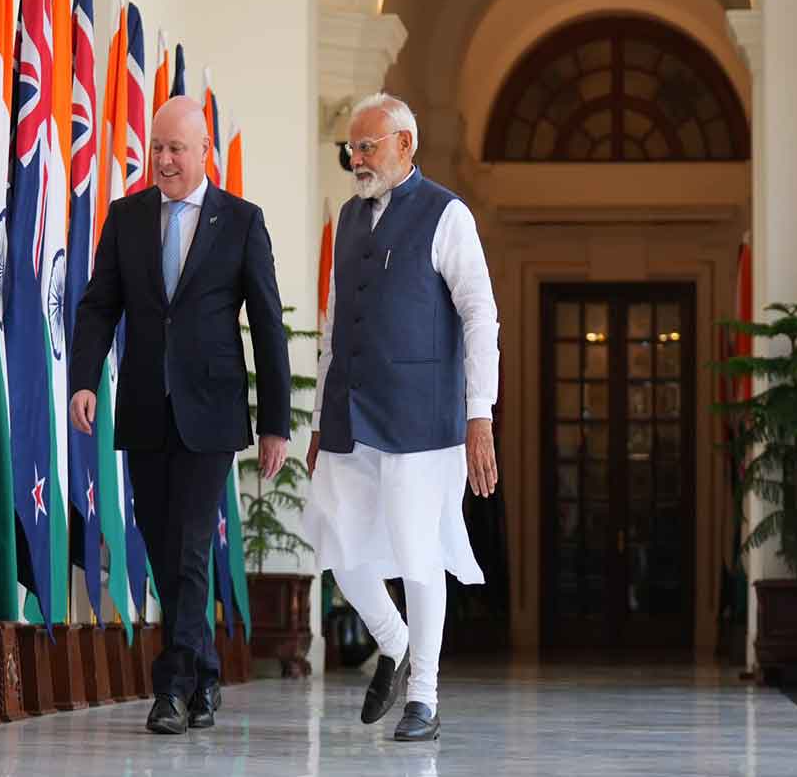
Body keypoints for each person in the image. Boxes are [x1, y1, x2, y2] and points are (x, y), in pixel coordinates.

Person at [70, 96, 291, 735]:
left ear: (204, 154)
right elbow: (97, 306)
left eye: (176, 149)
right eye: (157, 147)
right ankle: (205, 672)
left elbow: (268, 325)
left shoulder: (241, 222)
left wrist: (275, 421)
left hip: (211, 411)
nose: (163, 160)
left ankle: (170, 687)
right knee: (164, 546)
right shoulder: (126, 217)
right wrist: (85, 380)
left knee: (192, 543)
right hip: (143, 407)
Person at [303, 92, 500, 742]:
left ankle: (425, 697)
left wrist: (480, 417)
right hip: (348, 416)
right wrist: (316, 420)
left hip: (423, 420)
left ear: (405, 144)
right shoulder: (351, 220)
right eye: (351, 149)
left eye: (368, 146)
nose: (357, 159)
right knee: (339, 544)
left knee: (419, 555)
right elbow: (333, 326)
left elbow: (479, 316)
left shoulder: (448, 215)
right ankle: (394, 640)